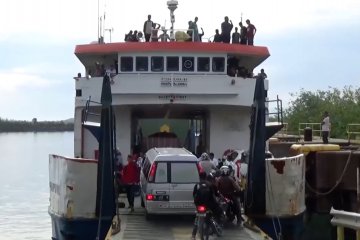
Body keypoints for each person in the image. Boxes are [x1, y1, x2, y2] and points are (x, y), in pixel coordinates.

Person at [192, 172, 223, 240]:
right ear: (206, 177)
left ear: (199, 177)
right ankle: (216, 230)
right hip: (208, 205)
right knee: (212, 215)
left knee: (197, 219)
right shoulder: (210, 185)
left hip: (199, 205)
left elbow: (194, 195)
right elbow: (215, 195)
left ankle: (193, 235)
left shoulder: (197, 185)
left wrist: (196, 203)